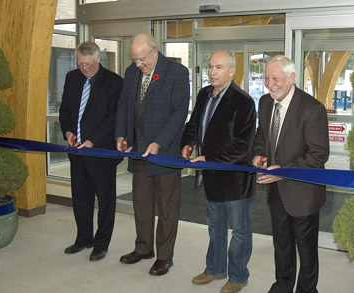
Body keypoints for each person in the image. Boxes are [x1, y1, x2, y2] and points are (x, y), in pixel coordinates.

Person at [252, 55, 329, 293]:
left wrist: (283, 172)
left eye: (275, 78)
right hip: (276, 191)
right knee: (282, 245)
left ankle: (307, 290)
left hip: (303, 194)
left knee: (306, 251)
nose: (270, 84)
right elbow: (262, 135)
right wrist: (258, 154)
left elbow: (319, 155)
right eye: (266, 78)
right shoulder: (265, 102)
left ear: (291, 78)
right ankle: (283, 286)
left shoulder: (312, 109)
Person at [181, 50, 256, 293]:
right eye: (211, 66)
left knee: (240, 233)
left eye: (219, 67)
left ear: (232, 71)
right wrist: (188, 143)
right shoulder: (204, 94)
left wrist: (209, 158)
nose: (212, 72)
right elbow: (194, 124)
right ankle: (215, 268)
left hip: (235, 180)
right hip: (211, 177)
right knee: (215, 227)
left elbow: (243, 146)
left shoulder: (243, 102)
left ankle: (238, 275)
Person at [115, 33, 190, 276]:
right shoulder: (131, 72)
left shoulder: (176, 72)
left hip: (165, 153)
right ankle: (143, 248)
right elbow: (125, 106)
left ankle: (164, 257)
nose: (138, 64)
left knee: (167, 209)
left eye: (142, 59)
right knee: (142, 203)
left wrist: (158, 142)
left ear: (154, 51)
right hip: (138, 152)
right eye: (134, 59)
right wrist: (121, 135)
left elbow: (179, 113)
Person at [59, 41, 123, 261]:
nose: (84, 68)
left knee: (105, 201)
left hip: (101, 153)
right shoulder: (71, 78)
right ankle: (83, 238)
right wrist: (68, 132)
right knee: (81, 198)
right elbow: (65, 108)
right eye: (80, 64)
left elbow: (113, 118)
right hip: (77, 152)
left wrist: (93, 141)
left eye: (88, 64)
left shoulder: (114, 82)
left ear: (97, 59)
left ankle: (101, 243)